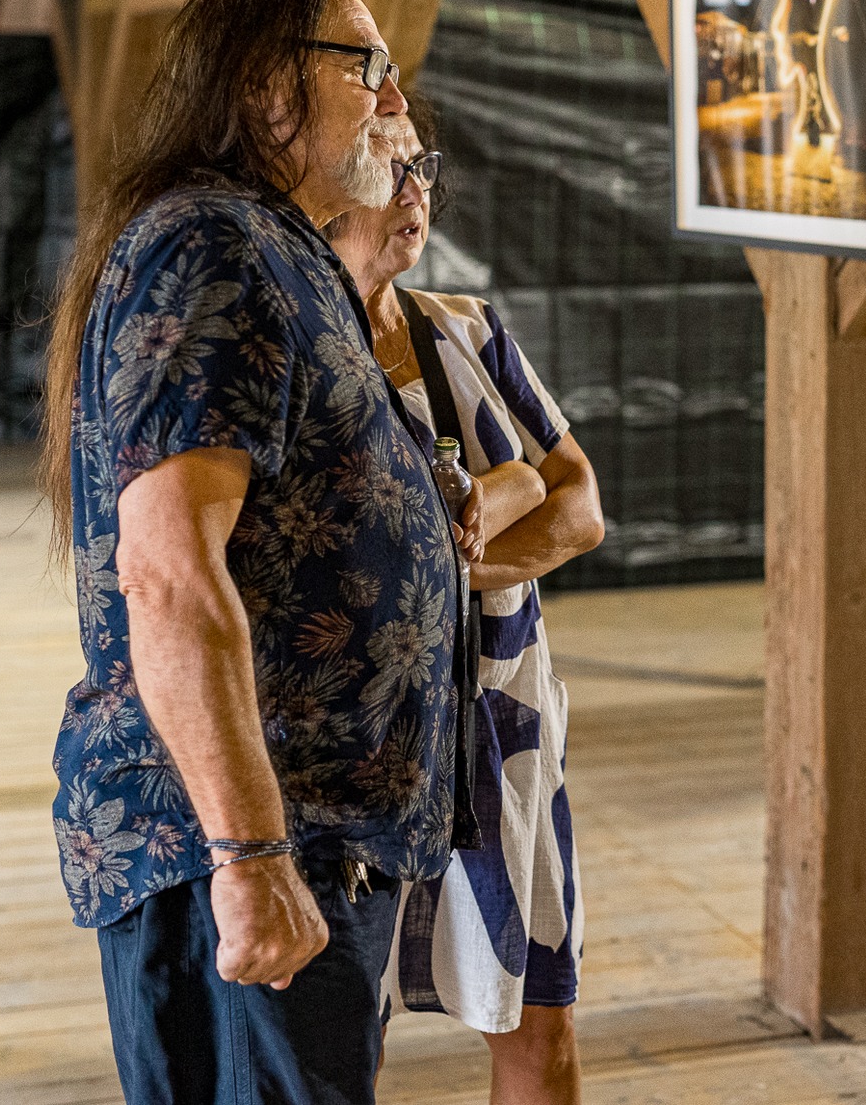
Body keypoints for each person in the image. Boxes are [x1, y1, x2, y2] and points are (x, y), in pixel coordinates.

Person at [39, 0, 466, 1104]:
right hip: (231, 832)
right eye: (366, 65)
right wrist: (250, 854)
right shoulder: (210, 243)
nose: (394, 98)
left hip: (300, 829)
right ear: (267, 84)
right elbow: (168, 571)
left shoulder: (276, 243)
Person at [326, 99, 605, 1105]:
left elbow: (581, 506)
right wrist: (509, 488)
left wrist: (462, 555)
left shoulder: (468, 330)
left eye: (422, 168)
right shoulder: (308, 359)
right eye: (389, 169)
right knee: (343, 1036)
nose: (416, 192)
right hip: (361, 744)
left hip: (502, 725)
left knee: (538, 1017)